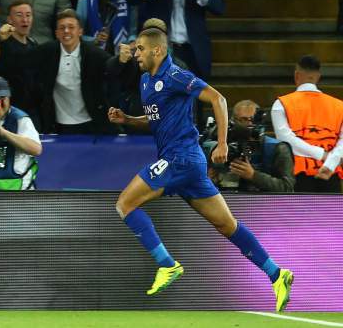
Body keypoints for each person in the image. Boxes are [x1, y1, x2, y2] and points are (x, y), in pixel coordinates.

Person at [107, 27, 293, 312]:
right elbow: (156, 119)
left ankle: (167, 265)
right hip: (187, 164)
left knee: (125, 204)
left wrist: (221, 143)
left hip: (179, 157)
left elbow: (218, 99)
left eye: (140, 49)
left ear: (157, 50)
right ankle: (276, 274)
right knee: (226, 225)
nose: (136, 54)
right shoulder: (146, 81)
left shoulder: (175, 75)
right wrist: (129, 119)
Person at [271, 55, 343, 193]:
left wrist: (321, 154)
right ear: (318, 76)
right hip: (330, 173)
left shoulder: (282, 104)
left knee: (299, 215)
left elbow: (286, 140)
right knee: (330, 214)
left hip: (297, 174)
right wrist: (330, 161)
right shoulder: (339, 106)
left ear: (296, 75)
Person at [203, 99, 296, 193]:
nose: (249, 124)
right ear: (232, 121)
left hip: (265, 205)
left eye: (252, 119)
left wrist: (253, 175)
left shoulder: (277, 148)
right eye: (243, 119)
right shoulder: (222, 149)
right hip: (228, 201)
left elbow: (287, 188)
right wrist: (209, 180)